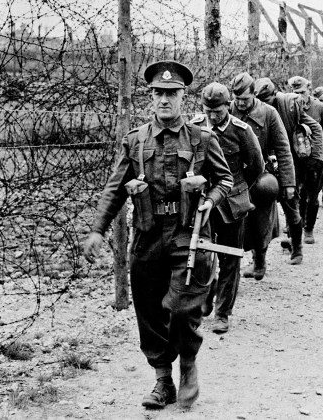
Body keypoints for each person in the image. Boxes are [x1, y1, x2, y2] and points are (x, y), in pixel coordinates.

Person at [83, 61, 233, 410]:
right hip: (148, 235)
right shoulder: (135, 142)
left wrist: (209, 197)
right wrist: (97, 230)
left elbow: (226, 181)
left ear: (183, 97)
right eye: (158, 94)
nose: (164, 100)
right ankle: (162, 380)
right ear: (151, 97)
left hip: (188, 234)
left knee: (181, 307)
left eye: (172, 94)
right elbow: (114, 189)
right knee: (149, 310)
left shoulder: (202, 138)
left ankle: (189, 365)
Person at [190, 82, 264, 334]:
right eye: (208, 111)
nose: (212, 116)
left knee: (230, 257)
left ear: (228, 106)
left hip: (232, 203)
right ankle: (205, 300)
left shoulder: (241, 131)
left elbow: (256, 166)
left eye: (218, 111)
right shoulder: (195, 126)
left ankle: (223, 313)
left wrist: (239, 189)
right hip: (203, 203)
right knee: (202, 255)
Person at [229, 72, 295, 280]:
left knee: (261, 221)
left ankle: (260, 260)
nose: (240, 104)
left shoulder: (269, 113)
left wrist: (288, 182)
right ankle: (232, 267)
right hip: (234, 175)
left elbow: (283, 149)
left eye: (245, 99)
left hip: (260, 175)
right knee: (234, 221)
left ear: (254, 95)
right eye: (237, 99)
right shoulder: (227, 110)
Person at [253, 77, 323, 264]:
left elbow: (315, 127)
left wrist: (315, 158)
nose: (264, 105)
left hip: (287, 163)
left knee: (291, 208)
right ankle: (258, 258)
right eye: (261, 101)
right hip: (265, 165)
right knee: (259, 213)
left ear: (273, 96)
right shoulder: (254, 111)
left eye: (267, 101)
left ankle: (297, 248)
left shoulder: (288, 107)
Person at [288, 75, 323, 244]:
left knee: (312, 195)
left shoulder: (320, 108)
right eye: (295, 92)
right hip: (296, 158)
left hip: (316, 160)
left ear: (309, 89)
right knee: (296, 195)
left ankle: (309, 228)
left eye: (302, 92)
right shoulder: (288, 108)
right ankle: (297, 223)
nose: (299, 96)